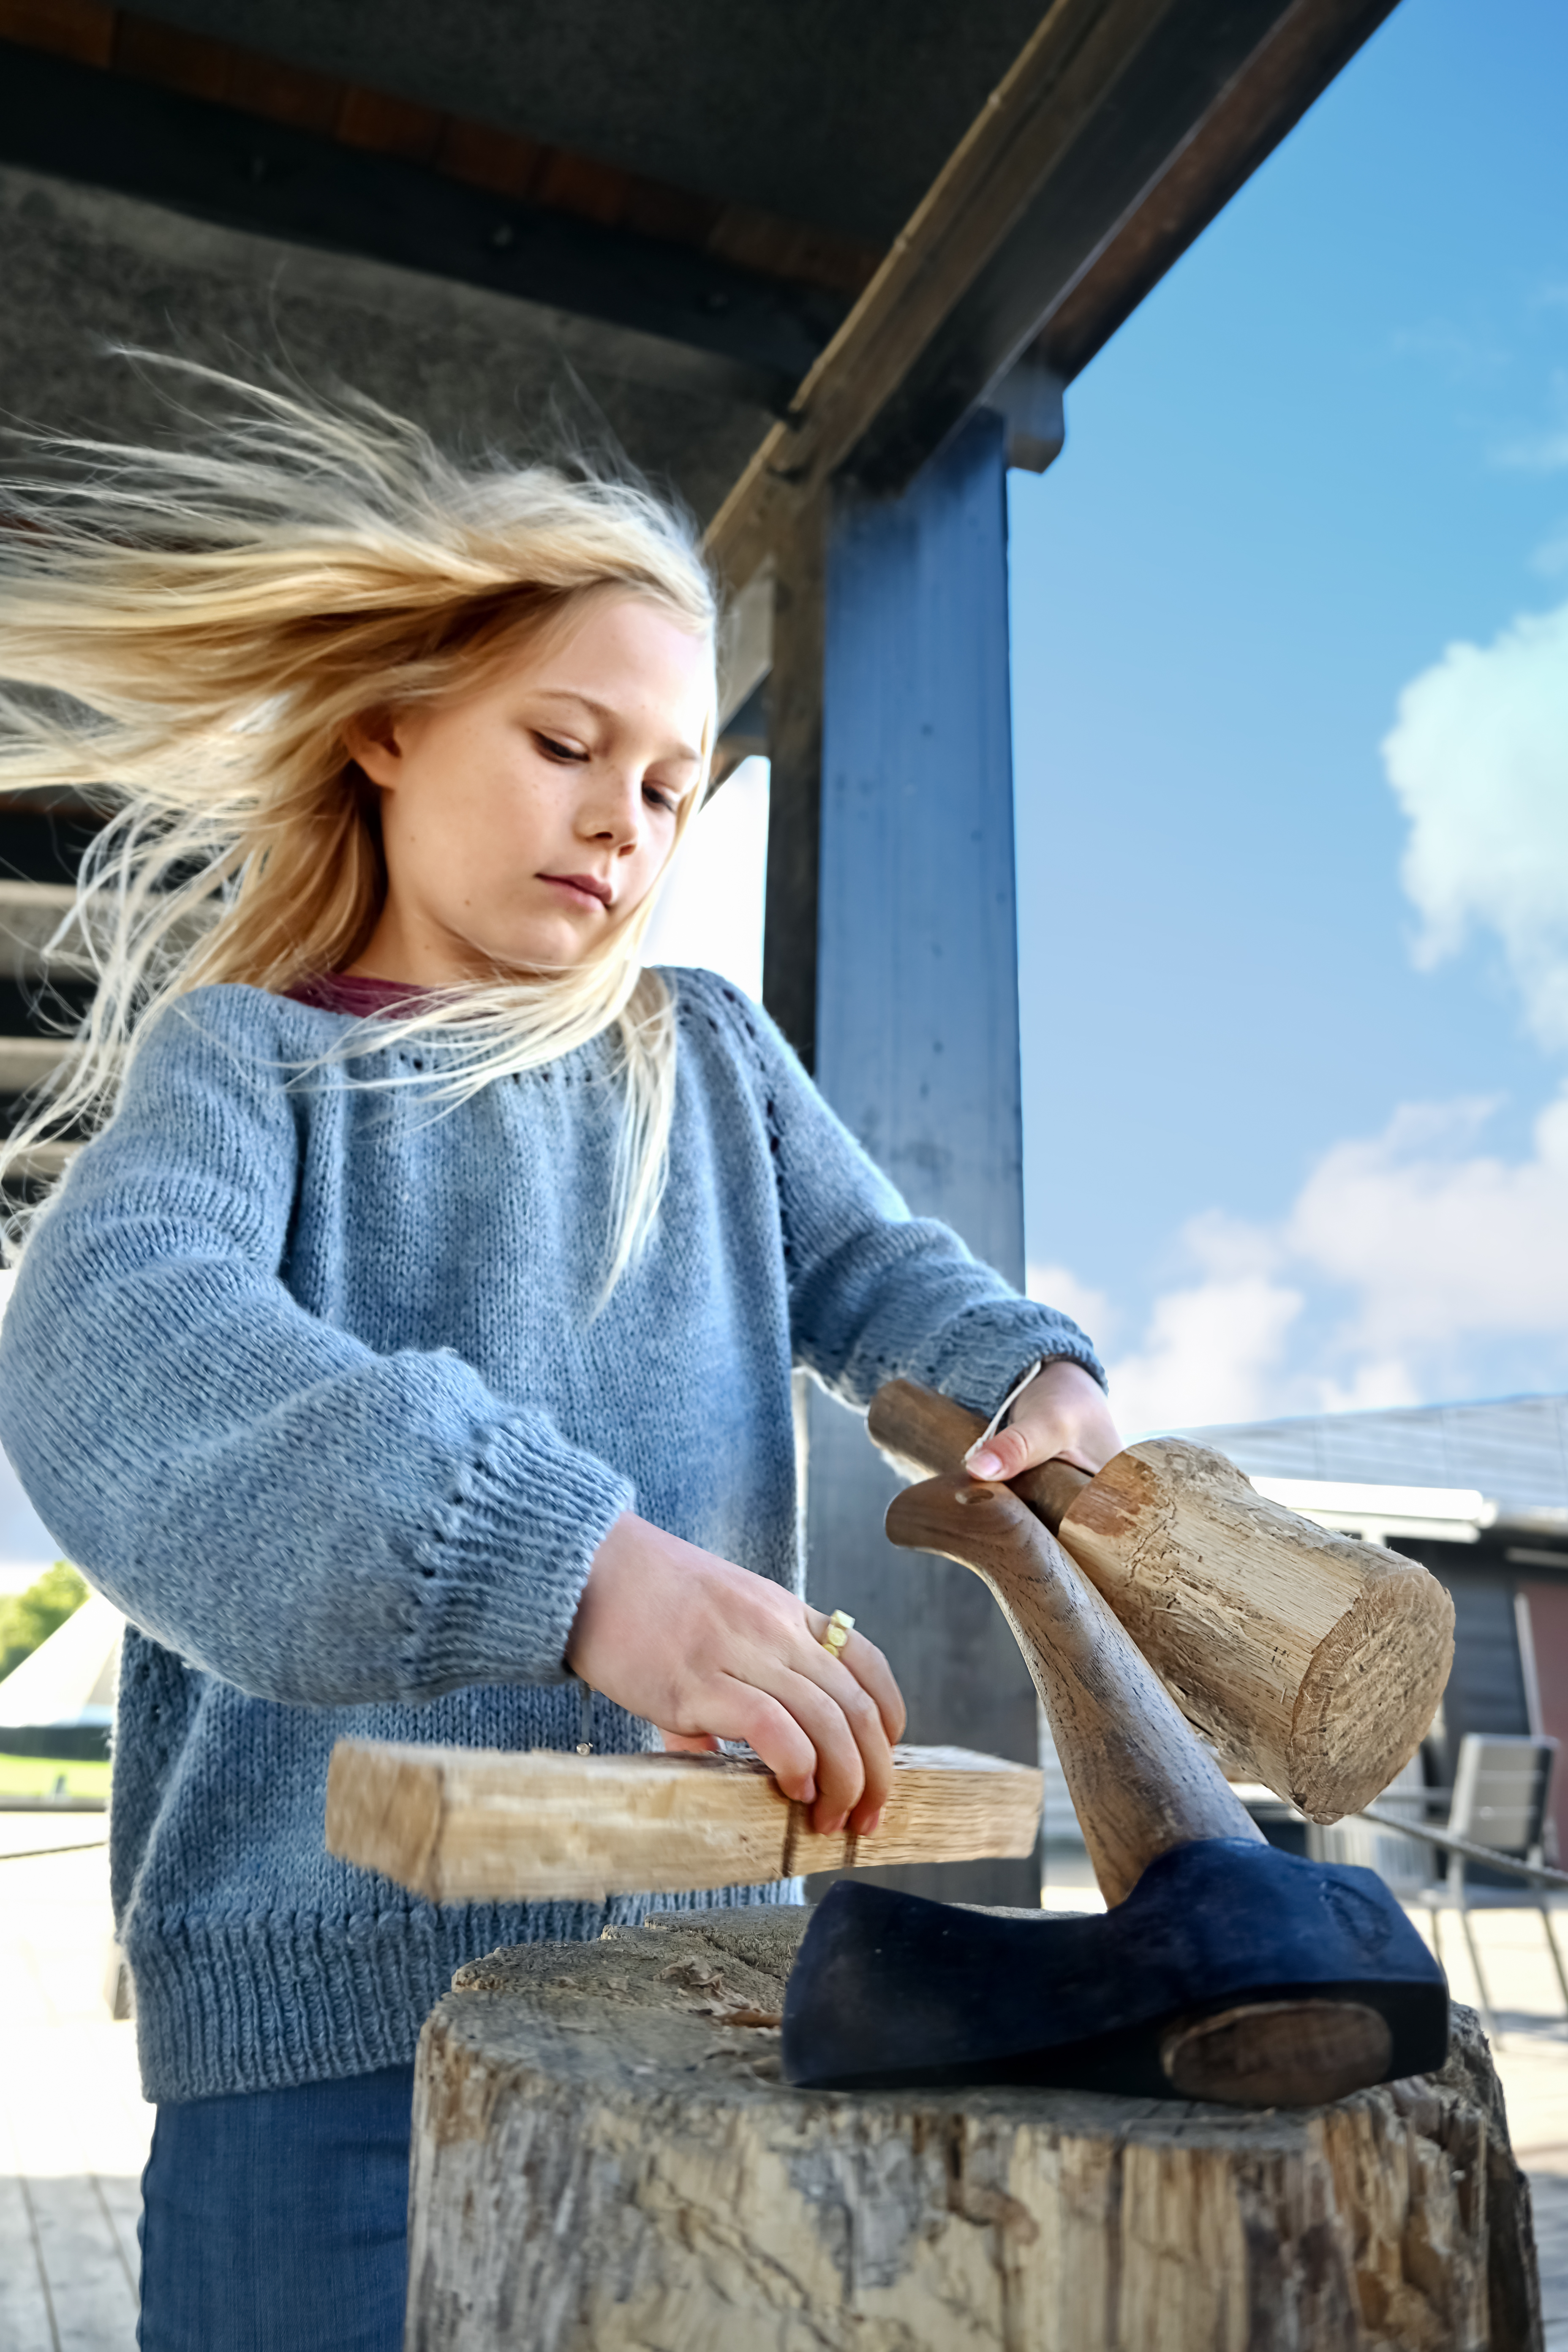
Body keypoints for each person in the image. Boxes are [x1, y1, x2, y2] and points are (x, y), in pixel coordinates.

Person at [0, 363, 1119, 2350]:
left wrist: (1024, 1374)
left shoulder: (709, 1060)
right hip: (324, 2063)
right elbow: (112, 1344)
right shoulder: (252, 1067)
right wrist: (574, 1571)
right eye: (564, 741)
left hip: (715, 2019)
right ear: (388, 726)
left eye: (672, 782)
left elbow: (892, 1277)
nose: (625, 818)